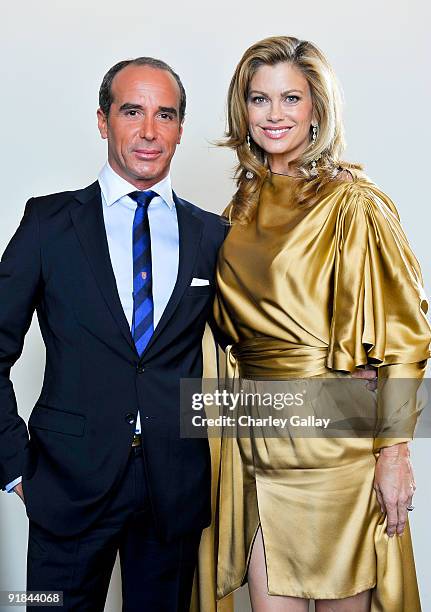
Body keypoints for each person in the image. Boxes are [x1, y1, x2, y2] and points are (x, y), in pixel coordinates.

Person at [0, 56, 228, 611]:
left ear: (179, 127)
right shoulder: (48, 223)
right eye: (132, 111)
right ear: (103, 120)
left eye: (165, 115)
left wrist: (365, 402)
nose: (149, 132)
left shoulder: (212, 234)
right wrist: (13, 469)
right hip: (64, 488)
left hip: (172, 491)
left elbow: (261, 343)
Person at [213, 36, 431, 611]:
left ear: (318, 108)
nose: (275, 114)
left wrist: (394, 452)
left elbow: (406, 340)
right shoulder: (236, 212)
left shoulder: (351, 204)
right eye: (260, 99)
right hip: (255, 448)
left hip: (334, 454)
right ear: (244, 109)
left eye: (291, 97)